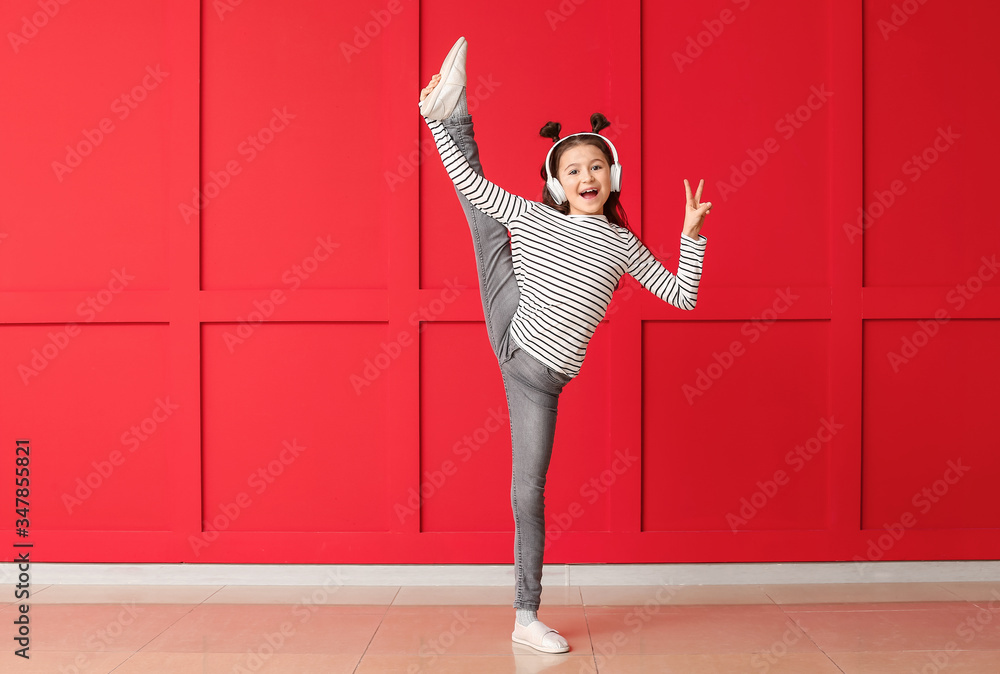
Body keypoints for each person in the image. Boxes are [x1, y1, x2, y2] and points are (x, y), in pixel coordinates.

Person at [418, 37, 710, 654]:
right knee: (481, 212)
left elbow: (682, 295)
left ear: (614, 177)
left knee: (528, 491)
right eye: (572, 169)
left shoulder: (623, 244)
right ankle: (447, 113)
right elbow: (473, 185)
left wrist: (690, 235)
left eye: (596, 167)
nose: (586, 176)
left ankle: (525, 618)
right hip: (513, 323)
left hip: (539, 380)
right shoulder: (533, 215)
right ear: (556, 182)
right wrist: (448, 136)